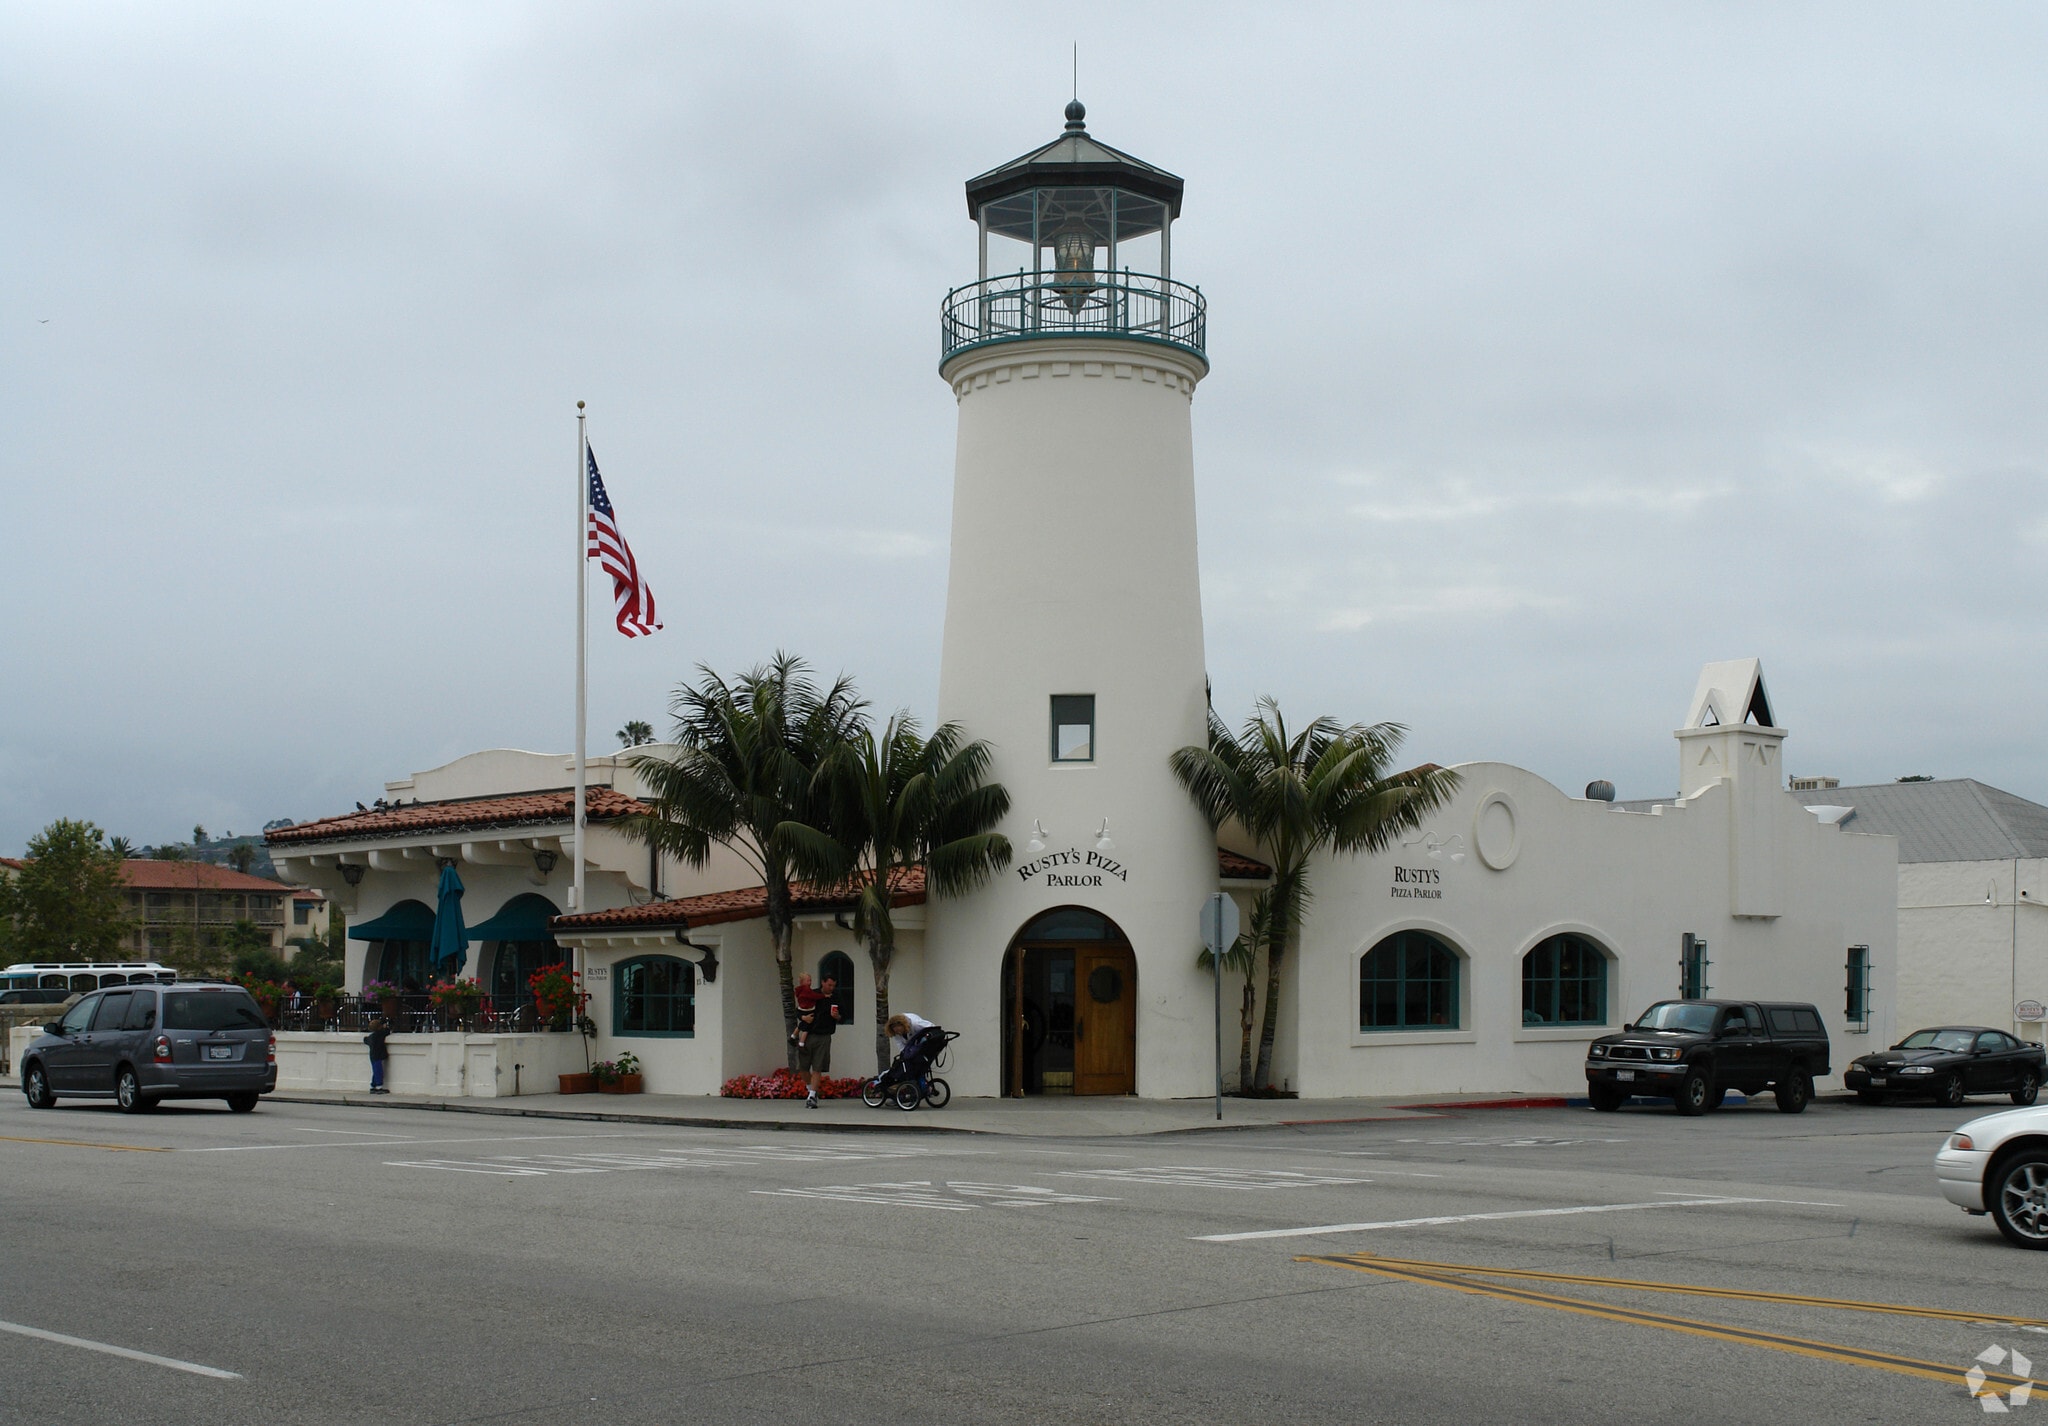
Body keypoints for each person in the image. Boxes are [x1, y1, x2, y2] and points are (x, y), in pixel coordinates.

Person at [797, 976, 841, 1107]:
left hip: (824, 1036)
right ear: (823, 982)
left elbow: (842, 1016)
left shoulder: (836, 998)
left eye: (833, 985)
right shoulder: (812, 994)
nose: (831, 988)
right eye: (829, 985)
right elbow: (799, 1010)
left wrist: (837, 1016)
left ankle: (812, 1097)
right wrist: (803, 1017)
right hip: (807, 1034)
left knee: (817, 1067)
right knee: (803, 1068)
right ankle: (811, 1089)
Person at [364, 1014, 391, 1094]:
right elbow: (387, 1031)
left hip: (372, 1056)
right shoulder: (380, 1035)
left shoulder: (371, 1037)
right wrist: (385, 1027)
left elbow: (365, 1040)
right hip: (378, 1056)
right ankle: (379, 1087)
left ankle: (373, 1086)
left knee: (375, 1071)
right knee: (378, 1071)